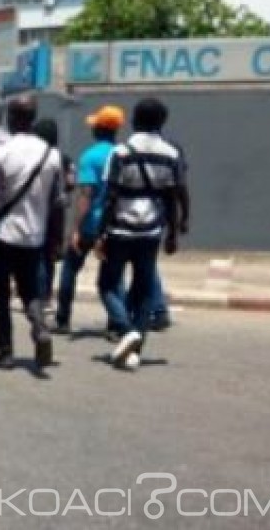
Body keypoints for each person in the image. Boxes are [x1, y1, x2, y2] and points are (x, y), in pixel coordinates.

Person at [0, 95, 65, 370]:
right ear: (31, 119)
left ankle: (6, 352)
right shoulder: (51, 154)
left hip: (2, 234)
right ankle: (38, 325)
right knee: (30, 289)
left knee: (0, 295)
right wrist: (56, 240)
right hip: (35, 236)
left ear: (11, 118)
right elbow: (58, 204)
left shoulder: (1, 153)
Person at [96, 98, 185, 370]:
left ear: (134, 120)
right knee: (144, 288)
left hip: (120, 229)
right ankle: (136, 347)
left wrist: (100, 231)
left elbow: (109, 196)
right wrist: (174, 231)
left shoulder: (121, 152)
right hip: (151, 231)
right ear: (162, 122)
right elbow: (174, 196)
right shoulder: (171, 154)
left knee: (108, 284)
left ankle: (126, 331)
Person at [53, 106, 126, 336]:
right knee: (114, 276)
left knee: (70, 269)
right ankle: (116, 323)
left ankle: (63, 319)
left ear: (99, 129)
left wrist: (75, 228)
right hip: (116, 224)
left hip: (91, 225)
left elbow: (86, 194)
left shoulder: (91, 156)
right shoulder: (124, 154)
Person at [33, 118, 76, 311]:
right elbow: (71, 183)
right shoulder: (64, 158)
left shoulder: (33, 156)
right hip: (57, 212)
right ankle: (47, 296)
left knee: (37, 254)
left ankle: (38, 295)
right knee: (50, 254)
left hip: (36, 209)